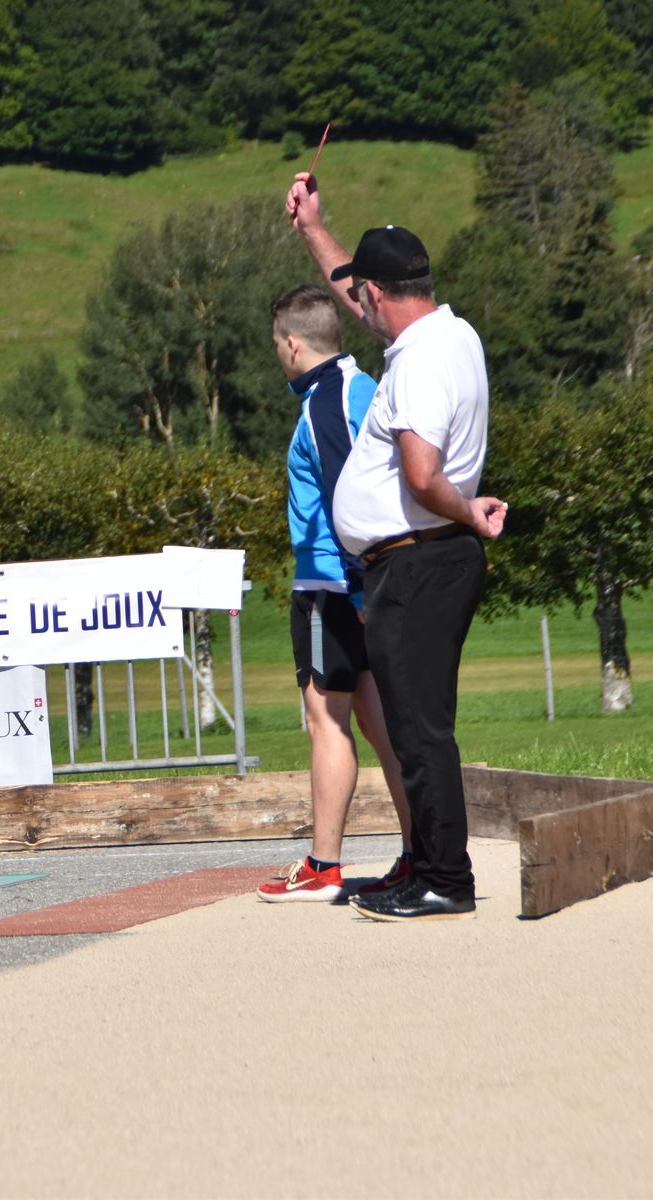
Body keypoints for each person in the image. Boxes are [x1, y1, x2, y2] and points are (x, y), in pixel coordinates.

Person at [286, 174, 508, 921]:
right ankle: (422, 865)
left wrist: (468, 510)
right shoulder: (449, 333)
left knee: (418, 731)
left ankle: (445, 877)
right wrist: (313, 228)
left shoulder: (417, 362)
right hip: (420, 558)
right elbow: (357, 297)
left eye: (363, 296)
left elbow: (421, 472)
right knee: (415, 726)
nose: (359, 307)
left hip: (418, 559)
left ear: (379, 294)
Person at [257, 285, 413, 903]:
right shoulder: (363, 386)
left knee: (326, 721)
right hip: (363, 580)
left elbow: (348, 494)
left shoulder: (325, 404)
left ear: (293, 344)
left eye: (277, 344)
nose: (278, 354)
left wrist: (358, 585)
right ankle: (418, 853)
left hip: (332, 585)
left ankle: (323, 866)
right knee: (380, 725)